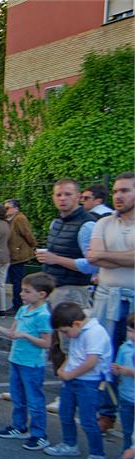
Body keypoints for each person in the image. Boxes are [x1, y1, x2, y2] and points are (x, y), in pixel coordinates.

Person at [0, 273, 55, 450]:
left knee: (34, 399)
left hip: (32, 364)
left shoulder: (43, 315)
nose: (22, 294)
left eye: (27, 291)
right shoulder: (23, 310)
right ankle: (19, 426)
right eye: (22, 290)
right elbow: (11, 333)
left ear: (42, 295)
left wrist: (25, 335)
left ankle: (39, 434)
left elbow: (47, 343)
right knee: (18, 396)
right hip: (16, 359)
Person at [86, 172, 135, 432]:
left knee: (131, 358)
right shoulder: (104, 223)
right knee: (106, 357)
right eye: (116, 191)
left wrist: (107, 256)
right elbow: (93, 257)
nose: (119, 196)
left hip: (132, 300)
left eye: (125, 190)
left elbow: (101, 256)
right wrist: (123, 257)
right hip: (107, 300)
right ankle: (107, 411)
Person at [44, 302, 113, 459]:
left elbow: (91, 362)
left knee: (88, 420)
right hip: (72, 379)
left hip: (89, 382)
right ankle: (69, 444)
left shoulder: (95, 333)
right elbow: (74, 355)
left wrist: (70, 374)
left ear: (76, 324)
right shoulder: (78, 332)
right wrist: (63, 368)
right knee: (66, 413)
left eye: (65, 332)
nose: (65, 335)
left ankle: (97, 455)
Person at [37, 178, 96, 309]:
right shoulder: (56, 222)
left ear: (78, 197)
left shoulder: (87, 225)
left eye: (68, 194)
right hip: (52, 289)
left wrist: (56, 259)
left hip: (73, 292)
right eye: (58, 195)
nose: (62, 198)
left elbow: (92, 265)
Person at [3, 199, 37, 316]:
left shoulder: (19, 219)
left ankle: (17, 305)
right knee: (16, 281)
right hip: (14, 255)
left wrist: (33, 245)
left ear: (15, 209)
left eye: (7, 208)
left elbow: (27, 234)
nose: (5, 210)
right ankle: (17, 304)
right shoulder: (11, 219)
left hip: (19, 255)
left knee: (17, 281)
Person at [111, 313, 134, 451]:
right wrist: (116, 369)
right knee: (127, 430)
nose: (132, 335)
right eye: (130, 331)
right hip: (126, 395)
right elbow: (118, 367)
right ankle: (125, 458)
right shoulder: (125, 347)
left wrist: (131, 372)